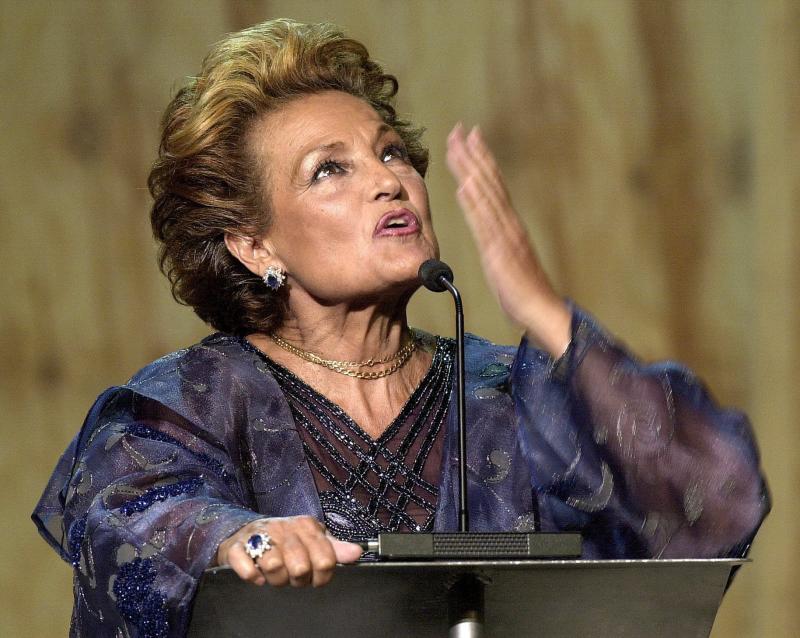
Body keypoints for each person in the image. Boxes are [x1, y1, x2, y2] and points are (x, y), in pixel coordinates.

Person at [33, 19, 768, 638]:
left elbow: (716, 494)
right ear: (255, 245)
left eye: (391, 153)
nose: (389, 179)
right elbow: (130, 512)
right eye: (329, 170)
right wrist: (238, 538)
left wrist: (545, 313)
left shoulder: (506, 394)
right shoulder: (199, 397)